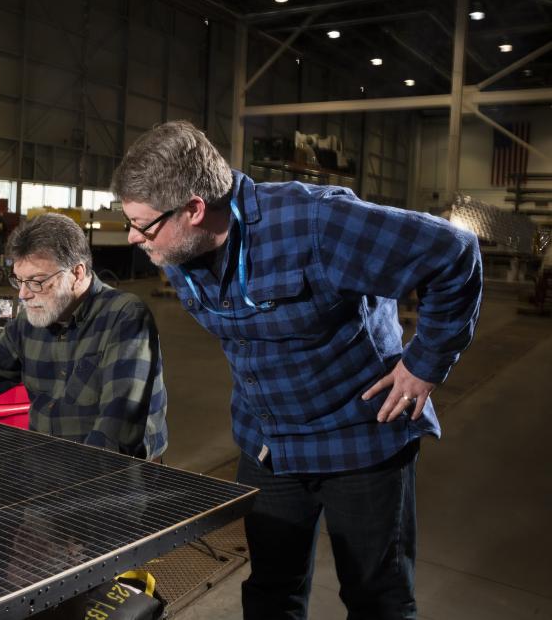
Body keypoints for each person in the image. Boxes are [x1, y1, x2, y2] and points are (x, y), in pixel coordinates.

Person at [111, 121, 482, 619]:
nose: (133, 237)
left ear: (195, 209)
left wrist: (423, 364)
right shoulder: (176, 242)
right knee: (271, 590)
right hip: (269, 443)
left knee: (378, 599)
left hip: (358, 436)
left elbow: (453, 255)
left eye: (142, 224)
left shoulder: (317, 222)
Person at [0, 213, 168, 460]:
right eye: (19, 281)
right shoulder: (33, 318)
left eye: (36, 281)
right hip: (47, 466)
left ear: (77, 274)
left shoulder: (124, 317)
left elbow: (115, 434)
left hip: (117, 480)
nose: (23, 294)